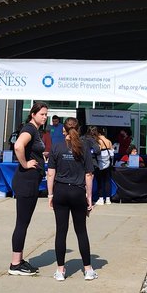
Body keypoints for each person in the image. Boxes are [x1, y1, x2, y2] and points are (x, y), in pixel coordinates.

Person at [48, 117, 97, 281]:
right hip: (77, 192)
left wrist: (50, 194)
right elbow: (89, 174)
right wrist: (89, 197)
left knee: (61, 231)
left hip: (60, 191)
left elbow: (50, 173)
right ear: (79, 129)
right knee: (81, 231)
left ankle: (60, 270)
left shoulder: (56, 146)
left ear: (64, 130)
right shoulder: (84, 147)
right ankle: (88, 269)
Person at [8, 102, 49, 276]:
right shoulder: (30, 129)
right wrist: (25, 163)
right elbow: (18, 146)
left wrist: (40, 157)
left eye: (46, 114)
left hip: (31, 180)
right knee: (22, 223)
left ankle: (19, 259)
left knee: (24, 222)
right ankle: (15, 264)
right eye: (42, 114)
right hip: (26, 181)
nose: (45, 117)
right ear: (33, 114)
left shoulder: (36, 131)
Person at [90, 125, 114, 204]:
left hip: (99, 163)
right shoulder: (109, 141)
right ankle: (108, 199)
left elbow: (97, 151)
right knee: (107, 180)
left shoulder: (98, 141)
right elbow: (112, 153)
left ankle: (100, 198)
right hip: (108, 163)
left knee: (99, 181)